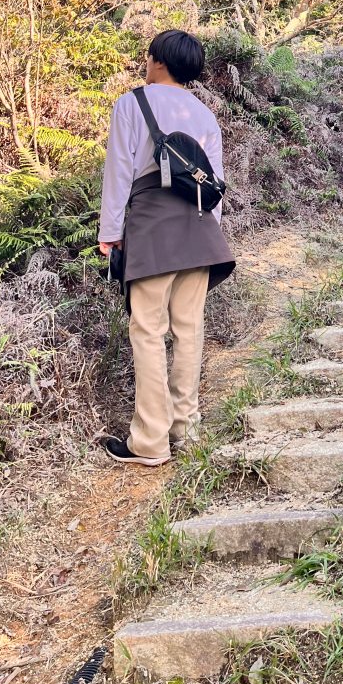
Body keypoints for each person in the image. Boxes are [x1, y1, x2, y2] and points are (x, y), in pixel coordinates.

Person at [98, 30, 235, 466]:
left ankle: (150, 442)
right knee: (189, 330)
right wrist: (207, 233)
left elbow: (120, 169)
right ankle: (186, 429)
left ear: (157, 60)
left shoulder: (132, 103)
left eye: (149, 56)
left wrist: (111, 230)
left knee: (148, 330)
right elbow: (214, 188)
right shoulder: (206, 115)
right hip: (199, 230)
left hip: (153, 224)